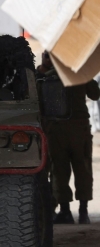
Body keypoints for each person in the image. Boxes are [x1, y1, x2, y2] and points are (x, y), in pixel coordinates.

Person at [38, 51, 98, 224]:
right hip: (79, 129)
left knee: (59, 170)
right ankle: (83, 212)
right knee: (83, 168)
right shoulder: (78, 73)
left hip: (55, 129)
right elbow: (95, 94)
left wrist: (42, 68)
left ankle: (65, 212)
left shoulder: (42, 77)